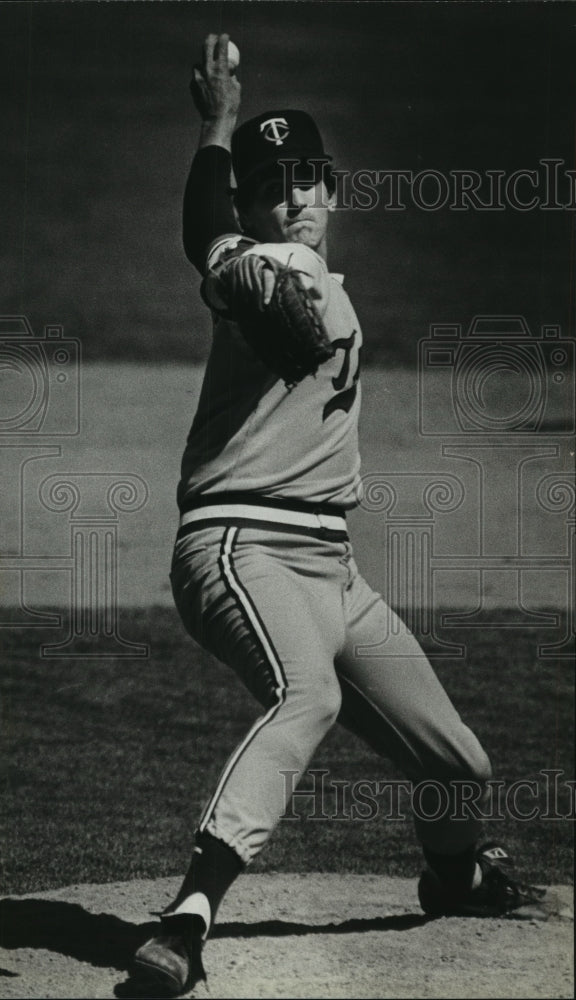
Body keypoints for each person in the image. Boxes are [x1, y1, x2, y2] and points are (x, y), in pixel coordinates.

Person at [132, 33, 539, 998]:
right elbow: (211, 245)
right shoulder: (269, 270)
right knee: (306, 697)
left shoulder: (301, 272)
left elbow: (213, 236)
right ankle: (189, 921)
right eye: (273, 184)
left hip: (330, 570)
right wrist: (217, 124)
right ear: (254, 202)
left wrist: (228, 133)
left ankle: (455, 876)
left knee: (458, 763)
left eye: (309, 178)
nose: (296, 198)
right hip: (239, 546)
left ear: (333, 186)